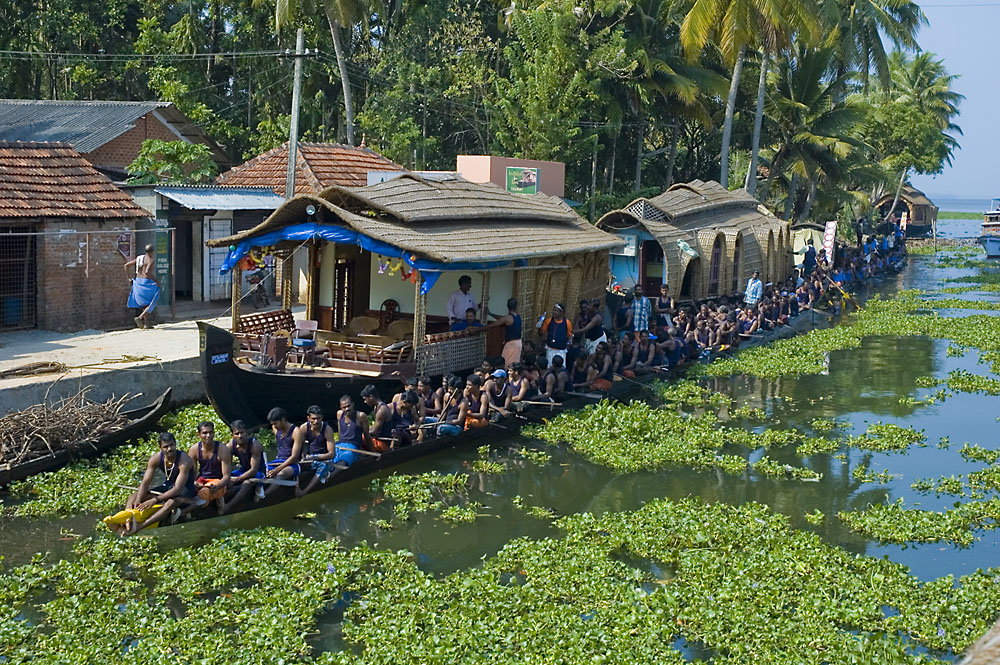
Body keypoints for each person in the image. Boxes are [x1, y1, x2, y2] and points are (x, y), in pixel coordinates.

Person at [117, 432, 197, 536]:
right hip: (168, 487)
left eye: (172, 445)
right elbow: (145, 482)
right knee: (133, 496)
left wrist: (155, 500)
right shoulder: (155, 459)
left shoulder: (184, 460)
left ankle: (141, 526)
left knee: (170, 503)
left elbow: (177, 489)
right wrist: (138, 500)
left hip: (185, 491)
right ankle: (128, 517)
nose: (169, 449)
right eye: (165, 447)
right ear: (160, 447)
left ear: (175, 444)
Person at [297, 395, 366, 497]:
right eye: (313, 419)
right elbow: (299, 447)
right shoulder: (303, 428)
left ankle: (329, 477)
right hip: (338, 445)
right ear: (308, 418)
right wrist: (303, 458)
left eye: (348, 406)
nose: (316, 421)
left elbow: (331, 454)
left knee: (338, 461)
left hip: (351, 447)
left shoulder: (359, 416)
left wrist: (371, 449)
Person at [188, 421, 233, 514]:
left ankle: (185, 512)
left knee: (205, 492)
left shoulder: (223, 449)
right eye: (204, 433)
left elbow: (226, 476)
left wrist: (218, 485)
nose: (208, 436)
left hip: (218, 481)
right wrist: (194, 483)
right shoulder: (194, 450)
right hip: (202, 480)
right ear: (199, 435)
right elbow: (191, 473)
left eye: (210, 432)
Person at [221, 419, 266, 513]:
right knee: (223, 479)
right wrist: (227, 478)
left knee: (246, 483)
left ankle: (228, 506)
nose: (240, 436)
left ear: (247, 432)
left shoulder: (255, 445)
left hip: (258, 473)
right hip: (243, 470)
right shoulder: (230, 446)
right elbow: (224, 465)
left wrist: (236, 480)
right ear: (232, 435)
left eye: (242, 433)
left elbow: (253, 470)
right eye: (237, 434)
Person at [264, 407, 303, 496]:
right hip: (278, 460)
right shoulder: (275, 428)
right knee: (262, 471)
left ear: (283, 420)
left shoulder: (296, 432)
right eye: (272, 424)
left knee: (281, 474)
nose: (274, 426)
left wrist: (277, 469)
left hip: (293, 464)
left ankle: (264, 495)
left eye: (276, 423)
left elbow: (294, 457)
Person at [124, 244, 160, 329]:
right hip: (147, 282)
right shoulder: (150, 260)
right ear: (152, 252)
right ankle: (140, 317)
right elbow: (147, 272)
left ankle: (146, 324)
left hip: (138, 281)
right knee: (153, 300)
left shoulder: (140, 258)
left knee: (145, 303)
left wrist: (129, 278)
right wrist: (156, 281)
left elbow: (126, 266)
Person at [489, 297, 523, 369]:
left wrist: (478, 329)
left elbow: (492, 325)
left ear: (507, 306)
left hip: (511, 345)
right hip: (518, 343)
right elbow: (502, 318)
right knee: (514, 364)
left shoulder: (508, 318)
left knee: (507, 364)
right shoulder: (518, 316)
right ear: (516, 306)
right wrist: (490, 314)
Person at [362, 385, 395, 451]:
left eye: (365, 399)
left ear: (371, 397)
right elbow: (374, 427)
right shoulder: (376, 407)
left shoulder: (381, 410)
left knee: (360, 437)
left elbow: (374, 432)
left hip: (383, 444)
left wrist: (361, 432)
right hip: (378, 440)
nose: (365, 402)